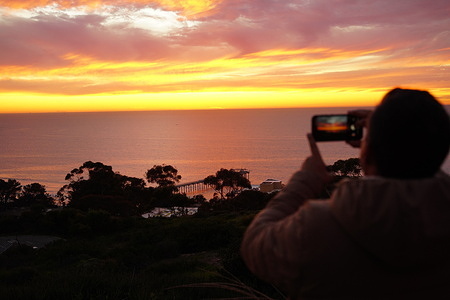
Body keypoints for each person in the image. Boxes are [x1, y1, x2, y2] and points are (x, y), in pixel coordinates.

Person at [241, 88, 450, 299]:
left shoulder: (316, 227)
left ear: (367, 154)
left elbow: (254, 245)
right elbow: (426, 164)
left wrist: (304, 181)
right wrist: (391, 138)